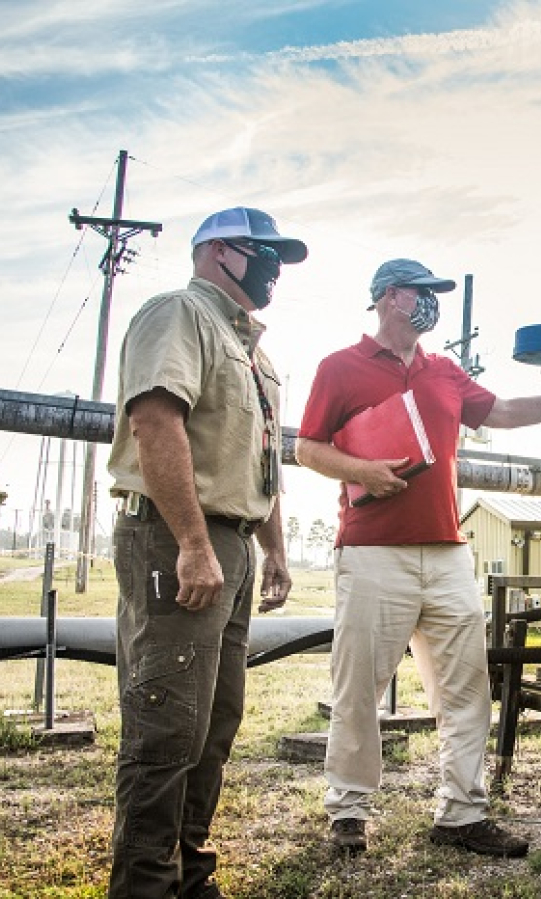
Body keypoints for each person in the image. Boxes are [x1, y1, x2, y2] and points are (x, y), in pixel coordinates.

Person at [295, 258, 541, 859]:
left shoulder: (444, 371)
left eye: (436, 295)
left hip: (447, 552)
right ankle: (348, 810)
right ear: (389, 297)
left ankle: (462, 813)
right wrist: (361, 470)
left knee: (467, 689)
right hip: (373, 553)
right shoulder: (339, 368)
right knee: (358, 690)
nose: (431, 303)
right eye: (422, 293)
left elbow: (503, 412)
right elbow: (306, 447)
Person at [106, 207, 306, 898]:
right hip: (176, 533)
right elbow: (155, 420)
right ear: (218, 251)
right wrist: (192, 542)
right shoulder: (178, 314)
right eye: (265, 253)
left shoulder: (255, 353)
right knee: (167, 724)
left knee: (213, 724)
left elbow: (264, 458)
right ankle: (144, 885)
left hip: (233, 543)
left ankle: (191, 875)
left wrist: (273, 547)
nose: (274, 267)